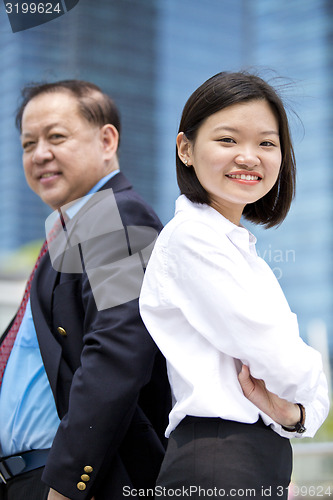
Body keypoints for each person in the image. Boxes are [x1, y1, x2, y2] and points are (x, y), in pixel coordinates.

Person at [139, 71, 330, 499]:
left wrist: (296, 412)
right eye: (228, 140)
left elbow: (294, 384)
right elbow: (279, 356)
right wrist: (307, 395)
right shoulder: (190, 239)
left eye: (266, 143)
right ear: (185, 149)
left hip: (255, 458)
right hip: (217, 461)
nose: (249, 156)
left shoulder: (241, 250)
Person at [0, 80, 171, 500]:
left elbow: (116, 353)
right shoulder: (67, 231)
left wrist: (66, 483)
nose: (39, 154)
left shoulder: (114, 214)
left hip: (74, 484)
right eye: (27, 144)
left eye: (56, 137)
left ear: (107, 139)